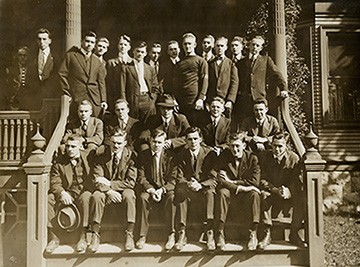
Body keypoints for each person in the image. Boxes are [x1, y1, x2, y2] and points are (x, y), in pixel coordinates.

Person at [209, 131, 261, 251]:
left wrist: (233, 182)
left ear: (244, 145)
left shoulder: (252, 158)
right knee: (222, 192)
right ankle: (220, 233)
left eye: (238, 145)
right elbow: (217, 176)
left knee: (255, 194)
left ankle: (253, 233)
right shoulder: (224, 156)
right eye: (232, 146)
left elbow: (254, 182)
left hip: (246, 195)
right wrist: (237, 186)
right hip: (230, 193)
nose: (235, 149)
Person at [89, 130, 137, 252]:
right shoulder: (101, 155)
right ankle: (95, 233)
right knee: (96, 196)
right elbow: (97, 179)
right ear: (109, 141)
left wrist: (110, 184)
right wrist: (109, 191)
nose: (116, 146)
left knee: (130, 195)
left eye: (119, 143)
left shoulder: (131, 156)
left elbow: (130, 182)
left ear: (125, 143)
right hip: (105, 190)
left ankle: (129, 233)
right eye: (114, 142)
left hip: (123, 188)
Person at [45, 135, 93, 253]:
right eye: (67, 146)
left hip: (83, 191)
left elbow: (92, 180)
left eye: (73, 146)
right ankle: (54, 238)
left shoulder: (89, 159)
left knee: (86, 198)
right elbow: (55, 181)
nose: (69, 149)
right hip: (67, 192)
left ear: (80, 147)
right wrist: (62, 192)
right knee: (49, 198)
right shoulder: (60, 161)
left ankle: (83, 236)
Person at [258, 132, 306, 249]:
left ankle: (294, 233)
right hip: (272, 192)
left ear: (286, 146)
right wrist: (275, 190)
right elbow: (262, 179)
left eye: (280, 146)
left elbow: (297, 180)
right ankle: (267, 233)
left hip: (287, 195)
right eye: (275, 145)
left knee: (302, 199)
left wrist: (289, 191)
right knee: (263, 195)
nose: (277, 149)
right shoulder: (265, 157)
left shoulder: (293, 158)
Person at [174, 127, 217, 251]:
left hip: (204, 187)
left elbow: (213, 177)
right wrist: (189, 184)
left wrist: (201, 185)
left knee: (210, 192)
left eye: (195, 139)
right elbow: (179, 177)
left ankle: (210, 232)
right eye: (189, 139)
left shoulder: (210, 153)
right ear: (186, 141)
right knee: (180, 192)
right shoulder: (182, 155)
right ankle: (182, 233)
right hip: (188, 188)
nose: (192, 142)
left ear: (201, 139)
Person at [136, 129, 177, 250]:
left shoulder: (170, 157)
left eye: (159, 142)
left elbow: (173, 179)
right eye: (154, 142)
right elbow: (141, 177)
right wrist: (151, 190)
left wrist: (162, 190)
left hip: (165, 189)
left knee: (172, 197)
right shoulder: (144, 156)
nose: (156, 145)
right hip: (151, 189)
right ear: (150, 141)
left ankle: (171, 234)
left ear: (164, 142)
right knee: (143, 198)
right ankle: (142, 235)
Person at [234, 35, 288, 123]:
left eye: (257, 45)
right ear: (249, 46)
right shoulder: (241, 62)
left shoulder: (266, 60)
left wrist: (284, 88)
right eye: (253, 44)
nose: (254, 47)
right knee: (245, 123)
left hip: (260, 97)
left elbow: (277, 74)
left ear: (261, 48)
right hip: (245, 99)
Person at [58, 31, 107, 117]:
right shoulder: (71, 56)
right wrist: (67, 92)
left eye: (92, 42)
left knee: (94, 124)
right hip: (77, 97)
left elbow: (101, 82)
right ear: (82, 41)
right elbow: (62, 74)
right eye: (87, 41)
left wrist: (103, 100)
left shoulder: (97, 61)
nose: (89, 44)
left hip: (94, 99)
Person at [120, 41, 160, 122]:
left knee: (148, 124)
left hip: (147, 99)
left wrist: (152, 100)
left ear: (145, 53)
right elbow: (122, 87)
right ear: (133, 51)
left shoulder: (150, 69)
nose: (139, 54)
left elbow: (155, 87)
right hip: (132, 100)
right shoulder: (126, 67)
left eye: (142, 52)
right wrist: (124, 102)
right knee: (134, 125)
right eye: (138, 51)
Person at [174, 33, 208, 126]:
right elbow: (176, 84)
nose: (187, 46)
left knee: (196, 127)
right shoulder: (179, 63)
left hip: (195, 101)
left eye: (189, 43)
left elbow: (204, 80)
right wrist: (175, 99)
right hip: (182, 102)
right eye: (185, 44)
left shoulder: (201, 61)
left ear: (195, 45)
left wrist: (201, 98)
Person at [207, 36, 238, 118]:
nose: (220, 48)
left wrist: (230, 100)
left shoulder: (231, 63)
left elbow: (234, 83)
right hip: (212, 100)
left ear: (226, 47)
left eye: (222, 46)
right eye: (218, 46)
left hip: (225, 100)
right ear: (214, 47)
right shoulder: (209, 63)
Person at [32, 28, 60, 100]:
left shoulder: (56, 56)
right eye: (39, 39)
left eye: (44, 39)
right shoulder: (32, 55)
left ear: (49, 41)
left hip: (50, 93)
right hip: (35, 94)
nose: (41, 42)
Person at [107, 35, 133, 111]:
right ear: (117, 46)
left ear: (129, 47)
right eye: (121, 44)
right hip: (116, 96)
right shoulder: (111, 62)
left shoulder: (133, 62)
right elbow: (109, 82)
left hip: (130, 96)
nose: (123, 47)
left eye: (125, 45)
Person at [4, 46, 35, 110]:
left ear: (28, 56)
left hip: (28, 103)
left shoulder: (33, 70)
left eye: (25, 55)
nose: (22, 57)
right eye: (20, 55)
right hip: (14, 103)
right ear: (16, 56)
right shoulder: (10, 70)